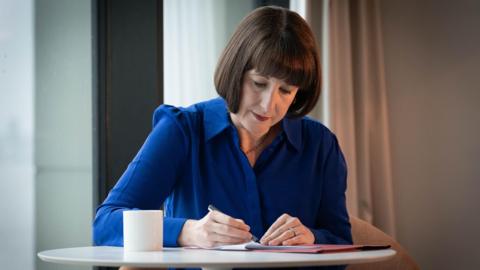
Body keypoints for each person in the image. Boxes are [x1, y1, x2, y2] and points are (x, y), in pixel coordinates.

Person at [93, 5, 352, 266]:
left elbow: (342, 244)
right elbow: (106, 223)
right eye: (259, 83)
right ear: (236, 71)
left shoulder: (320, 145)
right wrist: (188, 232)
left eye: (285, 90)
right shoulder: (182, 130)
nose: (267, 105)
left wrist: (311, 237)